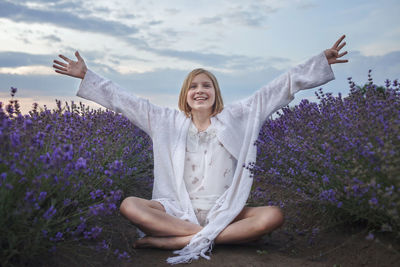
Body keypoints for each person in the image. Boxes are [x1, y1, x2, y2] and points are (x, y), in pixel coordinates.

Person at [53, 35, 348, 264]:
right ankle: (204, 237)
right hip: (177, 210)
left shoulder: (237, 117)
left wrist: (319, 61)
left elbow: (276, 89)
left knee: (273, 216)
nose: (200, 90)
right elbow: (125, 101)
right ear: (186, 95)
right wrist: (87, 76)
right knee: (128, 204)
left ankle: (172, 241)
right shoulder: (165, 120)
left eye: (206, 85)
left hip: (224, 208)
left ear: (215, 93)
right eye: (193, 86)